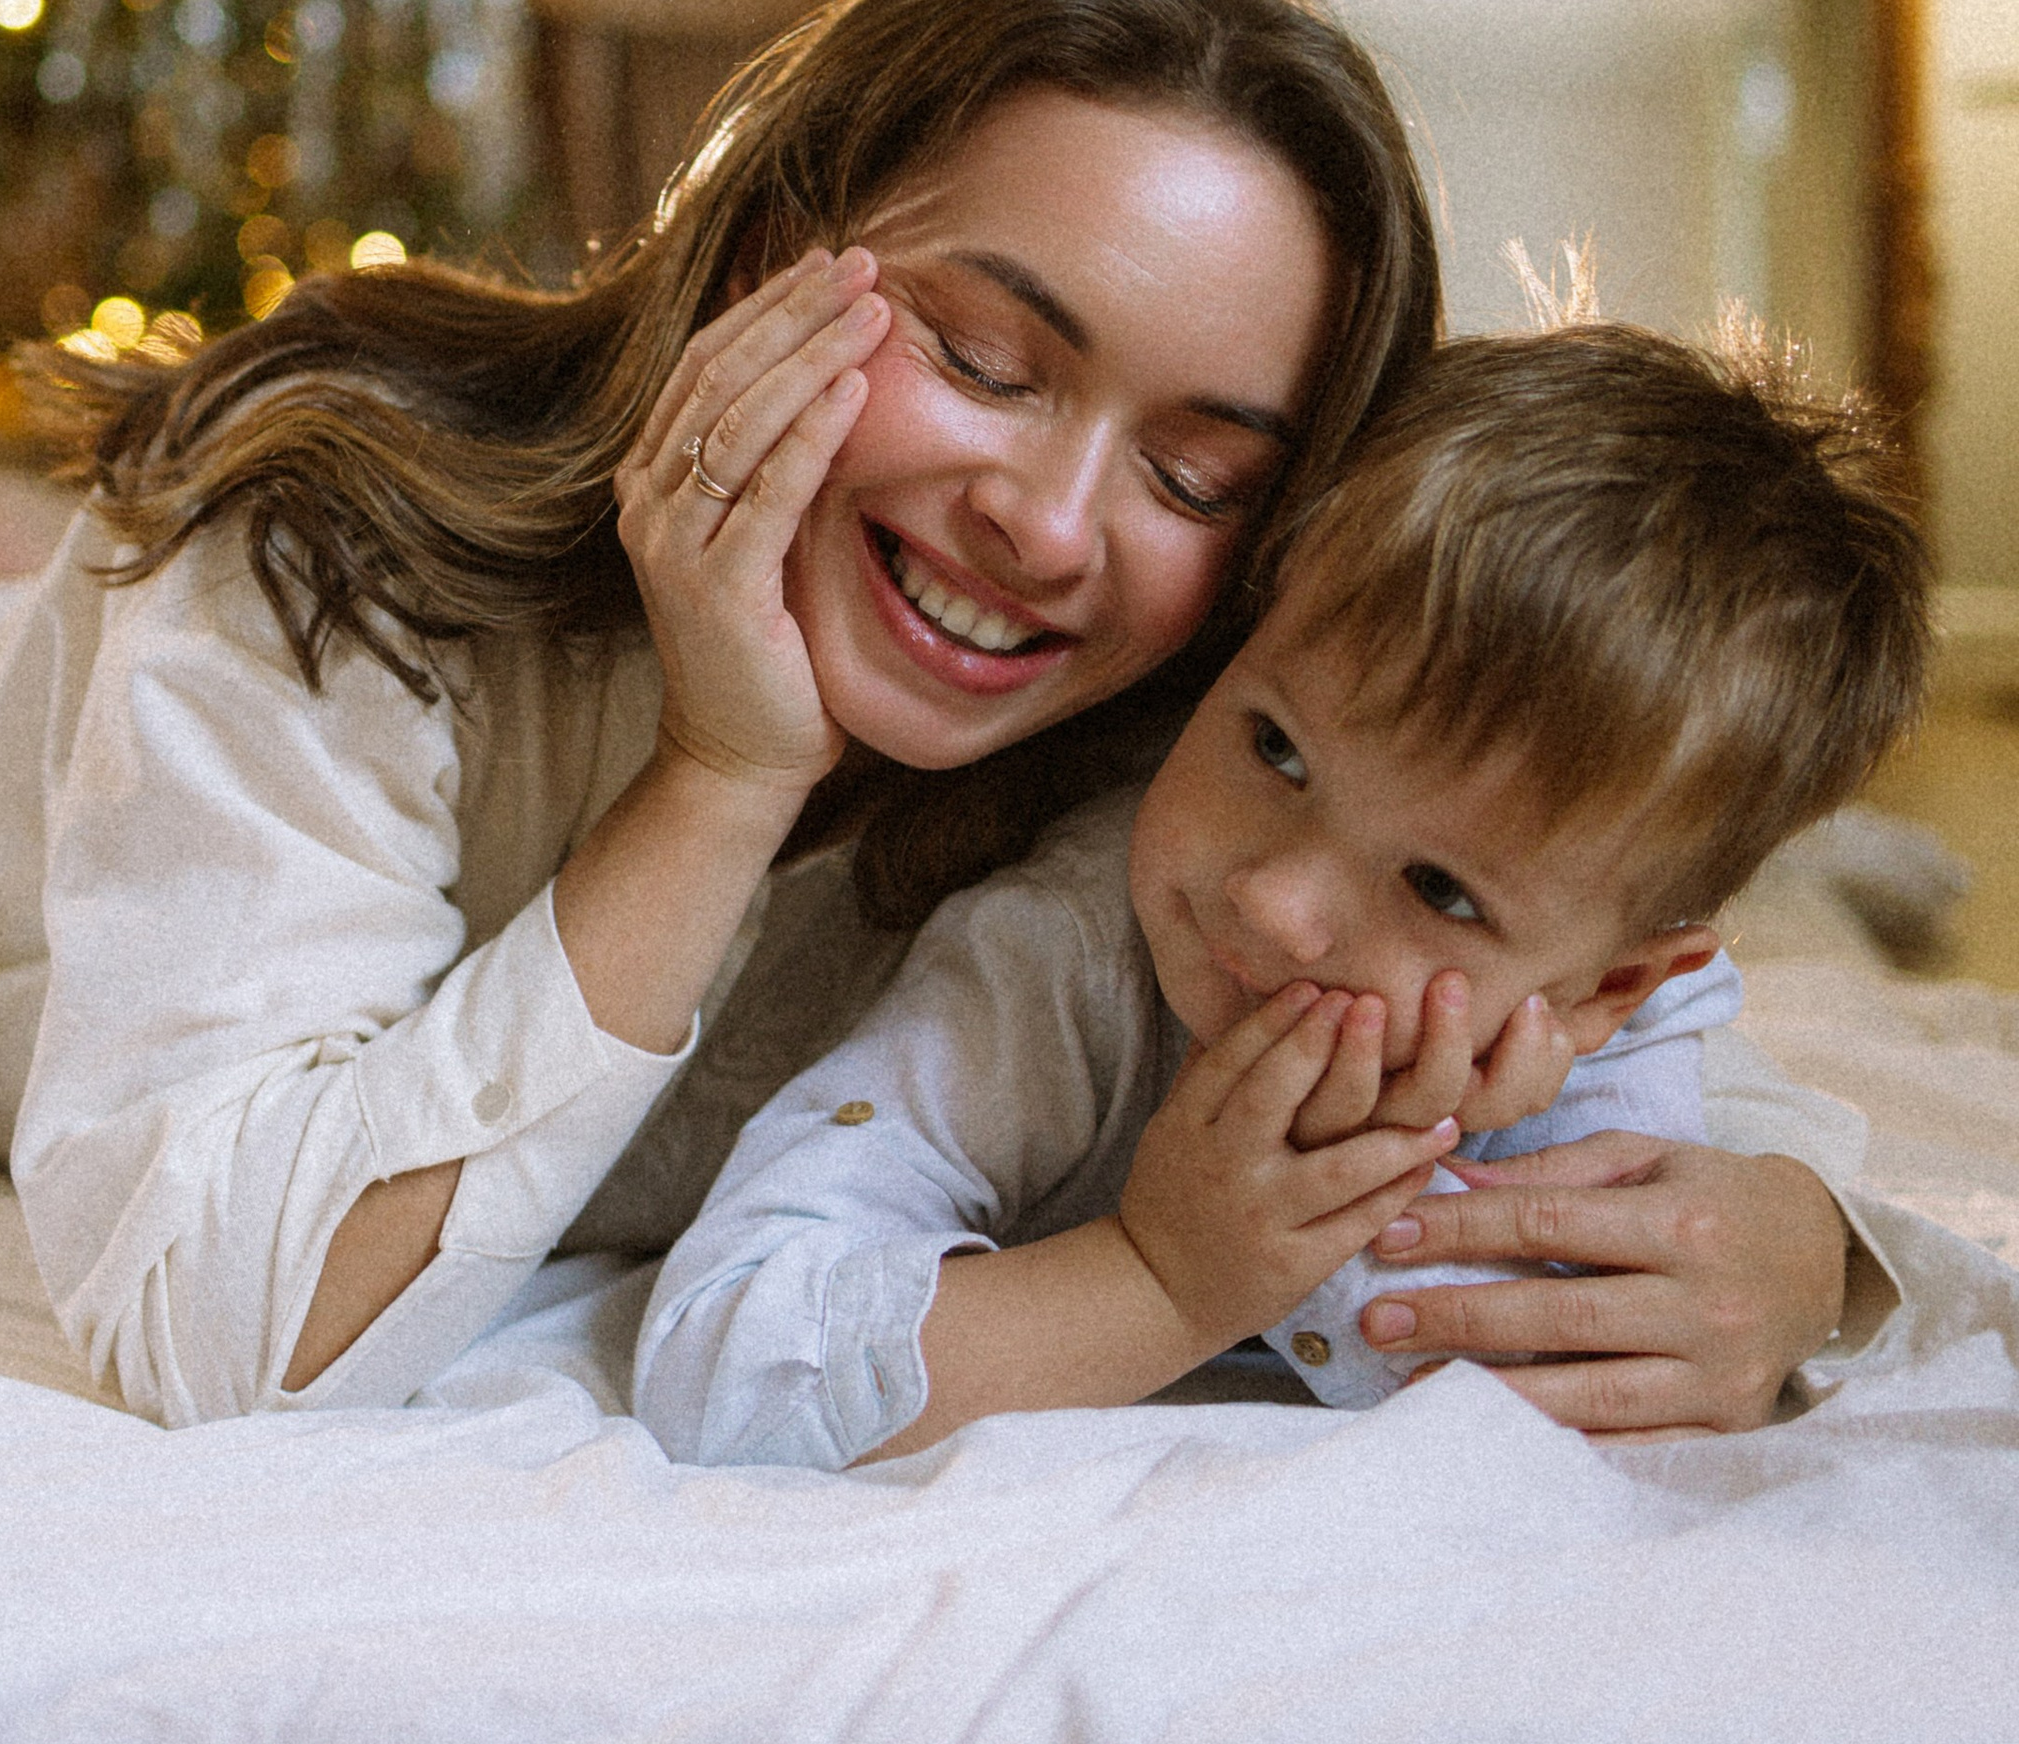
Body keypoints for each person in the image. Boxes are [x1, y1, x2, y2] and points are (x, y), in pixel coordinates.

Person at [0, 0, 1863, 1427]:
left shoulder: (1213, 748)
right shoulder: (334, 550)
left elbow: (1593, 948)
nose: (1050, 527)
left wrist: (1801, 1246)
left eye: (1197, 473)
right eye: (984, 359)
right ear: (756, 257)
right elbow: (221, 1336)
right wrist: (720, 779)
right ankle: (8, 576)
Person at [632, 319, 1929, 1466]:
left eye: (1439, 889)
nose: (1274, 903)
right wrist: (1163, 1280)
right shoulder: (1059, 958)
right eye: (1276, 748)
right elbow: (720, 1367)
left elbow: (1602, 1386)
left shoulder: (1615, 1020)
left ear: (1610, 989)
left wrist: (1770, 1248)